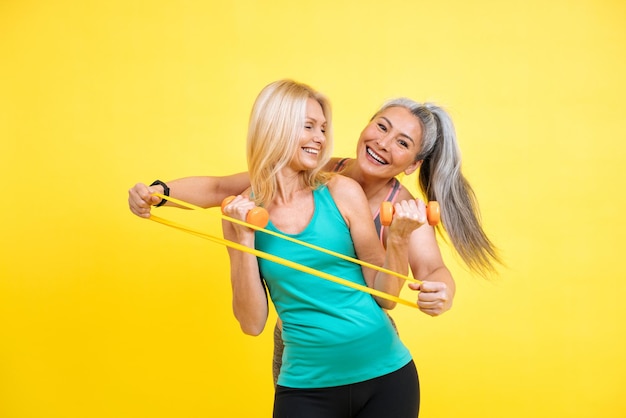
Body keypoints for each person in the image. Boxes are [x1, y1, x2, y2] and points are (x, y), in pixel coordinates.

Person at [129, 89, 501, 387]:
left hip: (365, 349)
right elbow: (219, 187)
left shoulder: (401, 208)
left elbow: (432, 267)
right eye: (382, 127)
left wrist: (442, 291)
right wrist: (158, 192)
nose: (385, 143)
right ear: (366, 126)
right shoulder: (317, 170)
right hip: (298, 343)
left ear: (413, 165)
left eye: (403, 143)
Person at [224, 79, 423, 416]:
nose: (320, 138)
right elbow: (252, 323)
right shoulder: (240, 214)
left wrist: (400, 240)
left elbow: (385, 296)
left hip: (387, 376)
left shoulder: (342, 191)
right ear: (276, 127)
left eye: (323, 128)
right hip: (306, 387)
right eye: (309, 127)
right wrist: (244, 241)